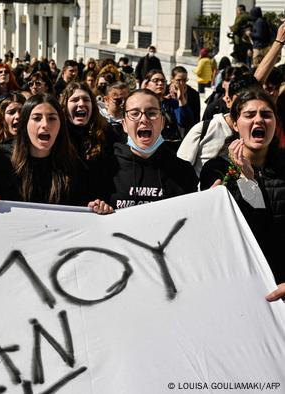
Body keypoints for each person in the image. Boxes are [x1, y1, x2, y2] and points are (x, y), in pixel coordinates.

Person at [200, 89, 285, 285]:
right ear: (236, 124)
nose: (258, 120)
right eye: (249, 115)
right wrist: (245, 182)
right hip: (240, 281)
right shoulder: (216, 169)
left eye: (266, 115)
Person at [0, 93, 110, 213]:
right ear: (25, 124)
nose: (45, 124)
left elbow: (88, 207)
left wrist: (98, 207)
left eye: (52, 118)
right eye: (37, 118)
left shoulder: (75, 167)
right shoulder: (0, 164)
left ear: (60, 125)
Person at [104, 89, 197, 209]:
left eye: (152, 113)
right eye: (134, 114)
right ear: (124, 125)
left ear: (162, 122)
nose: (143, 119)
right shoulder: (105, 169)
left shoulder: (184, 171)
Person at [143, 69, 194, 147]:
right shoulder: (141, 103)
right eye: (155, 80)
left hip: (170, 146)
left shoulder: (171, 103)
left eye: (163, 81)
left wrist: (181, 99)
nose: (160, 83)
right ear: (146, 84)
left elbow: (185, 122)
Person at [0, 92, 25, 157]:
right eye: (11, 112)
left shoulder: (31, 148)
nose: (18, 116)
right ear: (1, 117)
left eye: (21, 112)